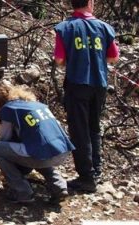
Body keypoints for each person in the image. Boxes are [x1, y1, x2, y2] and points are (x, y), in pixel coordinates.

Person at [54, 0, 119, 192]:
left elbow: (59, 59)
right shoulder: (105, 28)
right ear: (90, 3)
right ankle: (95, 172)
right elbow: (114, 57)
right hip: (99, 83)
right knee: (94, 127)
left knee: (79, 130)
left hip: (77, 83)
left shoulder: (65, 28)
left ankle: (86, 177)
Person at [0, 82, 75, 203]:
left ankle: (22, 192)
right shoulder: (37, 105)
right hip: (62, 151)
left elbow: (5, 139)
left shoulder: (8, 109)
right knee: (36, 148)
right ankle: (58, 185)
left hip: (41, 156)